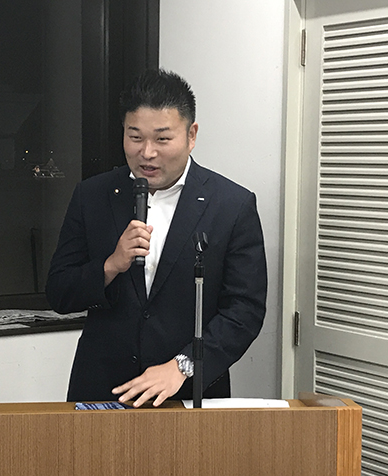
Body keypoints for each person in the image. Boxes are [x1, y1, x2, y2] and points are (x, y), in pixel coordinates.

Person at [46, 69, 267, 407]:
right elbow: (60, 293)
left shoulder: (231, 205)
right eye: (135, 137)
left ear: (191, 135)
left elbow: (244, 311)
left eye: (162, 139)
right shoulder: (92, 196)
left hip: (189, 392)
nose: (147, 153)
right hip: (103, 389)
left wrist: (184, 366)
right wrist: (110, 266)